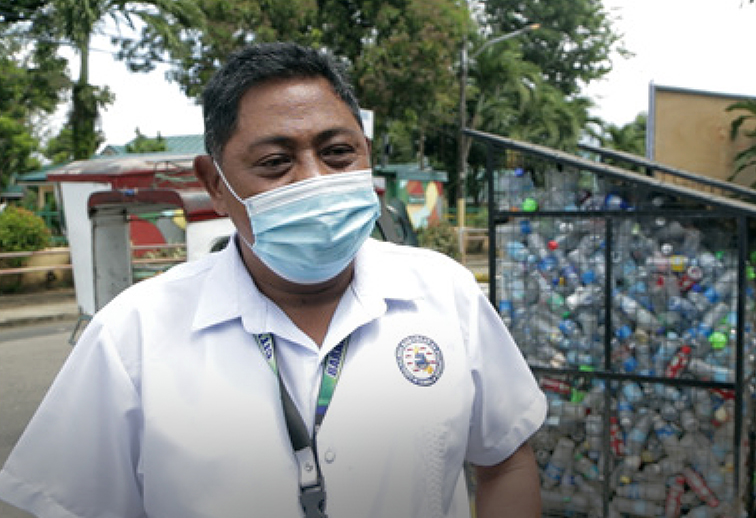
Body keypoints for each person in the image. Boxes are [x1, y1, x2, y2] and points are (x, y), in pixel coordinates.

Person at [0, 42, 547, 518]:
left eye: (337, 154)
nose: (314, 181)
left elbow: (505, 462)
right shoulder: (131, 337)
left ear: (367, 157)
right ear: (215, 184)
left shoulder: (444, 293)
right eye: (275, 162)